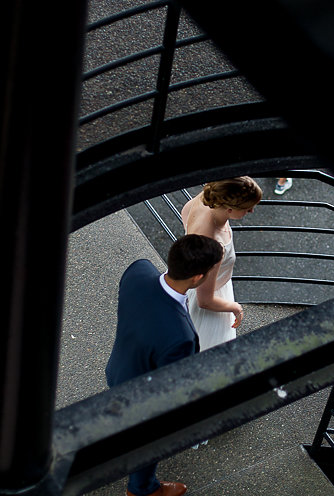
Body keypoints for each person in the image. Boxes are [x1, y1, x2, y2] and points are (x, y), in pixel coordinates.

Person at [106, 234, 224, 496]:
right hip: (141, 395)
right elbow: (172, 386)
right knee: (149, 441)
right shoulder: (180, 336)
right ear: (197, 277)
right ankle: (142, 490)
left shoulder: (139, 270)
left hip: (117, 368)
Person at [180, 176, 263, 350]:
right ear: (229, 209)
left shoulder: (208, 198)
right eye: (247, 208)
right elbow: (205, 300)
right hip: (212, 297)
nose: (251, 211)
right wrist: (235, 308)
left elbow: (185, 212)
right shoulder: (213, 245)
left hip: (194, 280)